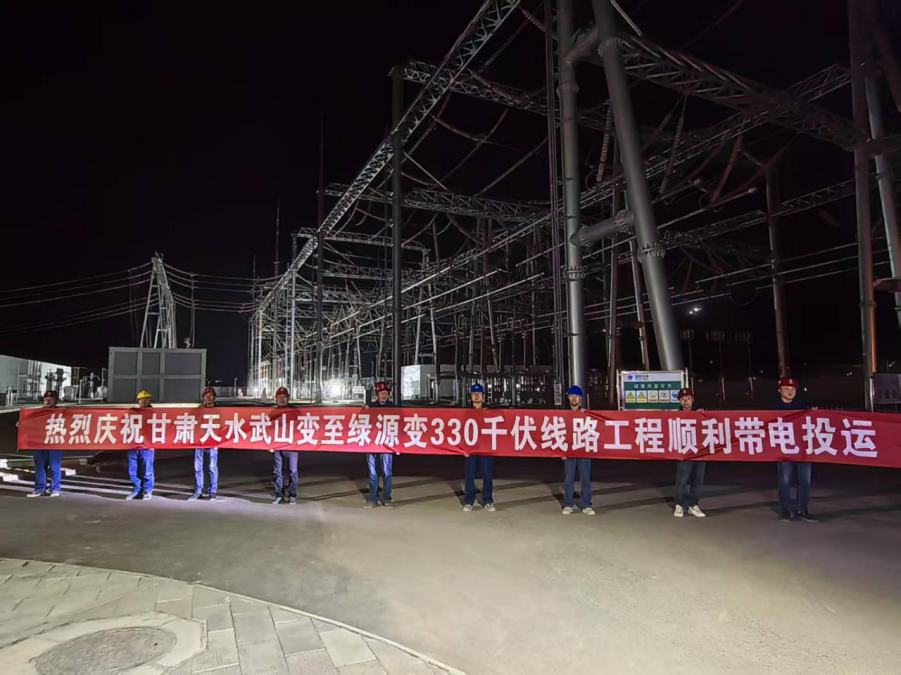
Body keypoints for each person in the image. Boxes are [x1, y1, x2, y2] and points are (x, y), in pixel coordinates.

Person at [773, 377, 818, 523]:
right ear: (779, 390)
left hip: (803, 448)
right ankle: (785, 510)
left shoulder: (802, 406)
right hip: (784, 449)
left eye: (792, 389)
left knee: (805, 480)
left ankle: (802, 510)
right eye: (786, 388)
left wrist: (814, 414)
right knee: (785, 480)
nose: (790, 391)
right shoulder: (773, 408)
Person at [673, 388, 706, 518]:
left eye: (688, 398)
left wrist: (703, 415)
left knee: (698, 480)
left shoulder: (701, 414)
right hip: (684, 453)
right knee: (682, 479)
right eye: (683, 399)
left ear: (693, 399)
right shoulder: (675, 417)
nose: (685, 401)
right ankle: (679, 505)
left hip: (700, 452)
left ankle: (693, 504)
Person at [561, 386, 594, 516]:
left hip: (584, 449)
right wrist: (561, 450)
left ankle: (587, 505)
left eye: (577, 396)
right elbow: (559, 432)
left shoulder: (586, 414)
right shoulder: (563, 414)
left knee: (585, 478)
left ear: (581, 398)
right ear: (568, 398)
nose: (574, 399)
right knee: (568, 479)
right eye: (572, 396)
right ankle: (568, 504)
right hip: (569, 450)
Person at [463, 383, 495, 512]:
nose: (476, 396)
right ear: (470, 396)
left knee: (487, 473)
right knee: (469, 474)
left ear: (483, 396)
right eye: (474, 394)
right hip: (470, 447)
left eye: (479, 394)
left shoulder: (489, 412)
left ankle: (488, 500)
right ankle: (469, 500)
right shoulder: (466, 412)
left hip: (485, 446)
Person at [364, 381, 395, 509]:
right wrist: (364, 411)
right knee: (373, 473)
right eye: (381, 393)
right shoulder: (371, 407)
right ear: (377, 394)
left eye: (386, 393)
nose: (384, 395)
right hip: (372, 444)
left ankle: (387, 498)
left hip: (387, 444)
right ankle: (373, 499)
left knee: (387, 472)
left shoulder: (393, 408)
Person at [28, 391, 63, 498]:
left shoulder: (61, 412)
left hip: (55, 443)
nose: (47, 401)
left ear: (55, 401)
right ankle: (39, 489)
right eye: (45, 399)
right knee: (40, 466)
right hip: (40, 443)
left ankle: (55, 489)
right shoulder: (38, 413)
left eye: (50, 399)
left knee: (54, 466)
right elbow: (24, 424)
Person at [190, 387, 220, 502]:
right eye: (206, 395)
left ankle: (213, 491)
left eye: (211, 395)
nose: (208, 397)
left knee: (212, 467)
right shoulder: (199, 410)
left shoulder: (219, 410)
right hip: (200, 442)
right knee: (198, 468)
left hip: (213, 442)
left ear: (214, 397)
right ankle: (198, 491)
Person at [270, 386, 299, 505]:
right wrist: (268, 444)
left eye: (284, 397)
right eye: (279, 397)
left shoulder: (295, 412)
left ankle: (292, 494)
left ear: (288, 398)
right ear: (276, 399)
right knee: (277, 471)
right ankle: (279, 494)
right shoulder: (272, 413)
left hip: (292, 446)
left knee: (293, 471)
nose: (282, 399)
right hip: (277, 446)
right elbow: (268, 429)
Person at [127, 390, 155, 500]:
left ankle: (147, 490)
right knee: (133, 470)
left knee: (147, 470)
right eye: (141, 399)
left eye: (146, 399)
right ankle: (136, 490)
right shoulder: (133, 413)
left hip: (147, 446)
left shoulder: (154, 413)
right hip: (133, 445)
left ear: (149, 400)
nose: (143, 401)